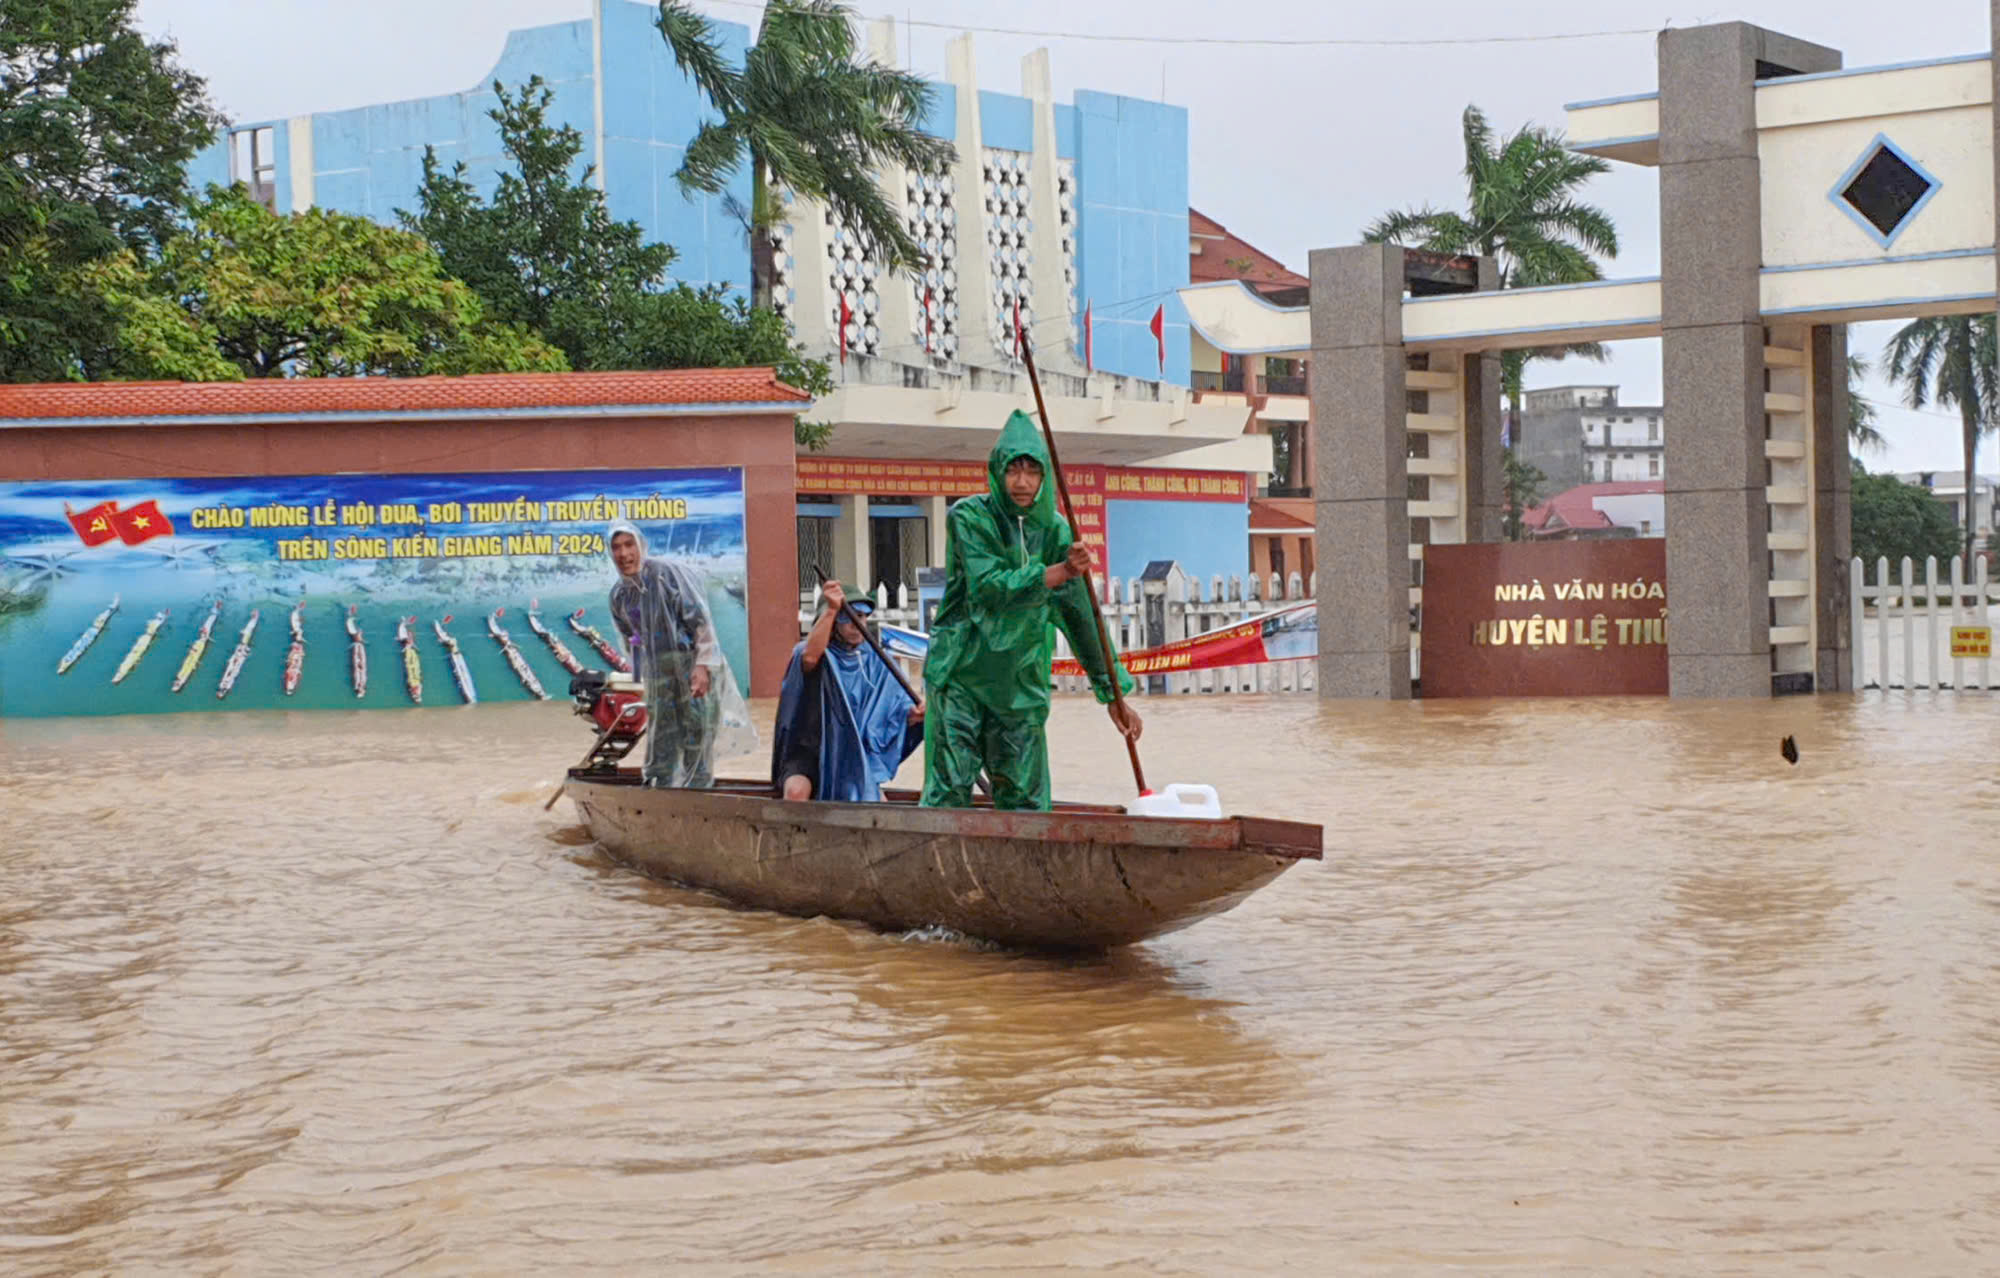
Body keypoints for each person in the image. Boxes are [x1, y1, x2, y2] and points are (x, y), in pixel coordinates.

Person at [921, 409, 1141, 812]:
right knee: (949, 789)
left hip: (1020, 683)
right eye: (1013, 470)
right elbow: (987, 588)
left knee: (1023, 797)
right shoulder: (968, 518)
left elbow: (1081, 618)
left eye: (1032, 471)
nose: (1021, 482)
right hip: (961, 676)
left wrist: (1112, 692)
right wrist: (1057, 572)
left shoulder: (1057, 531)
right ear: (996, 473)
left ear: (1044, 478)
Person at [606, 520, 755, 788]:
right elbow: (633, 642)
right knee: (661, 738)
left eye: (629, 544)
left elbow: (701, 622)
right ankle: (661, 793)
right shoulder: (619, 595)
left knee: (695, 735)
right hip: (659, 678)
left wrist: (702, 667)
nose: (623, 553)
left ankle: (697, 797)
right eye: (616, 547)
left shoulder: (666, 574)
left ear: (641, 545)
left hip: (691, 667)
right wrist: (641, 681)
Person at [771, 581, 925, 803]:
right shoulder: (811, 653)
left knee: (878, 804)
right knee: (796, 793)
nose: (857, 624)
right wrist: (833, 609)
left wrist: (913, 715)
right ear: (832, 622)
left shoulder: (876, 659)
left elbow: (893, 711)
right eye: (849, 618)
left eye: (862, 617)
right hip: (809, 751)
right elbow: (810, 658)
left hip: (854, 756)